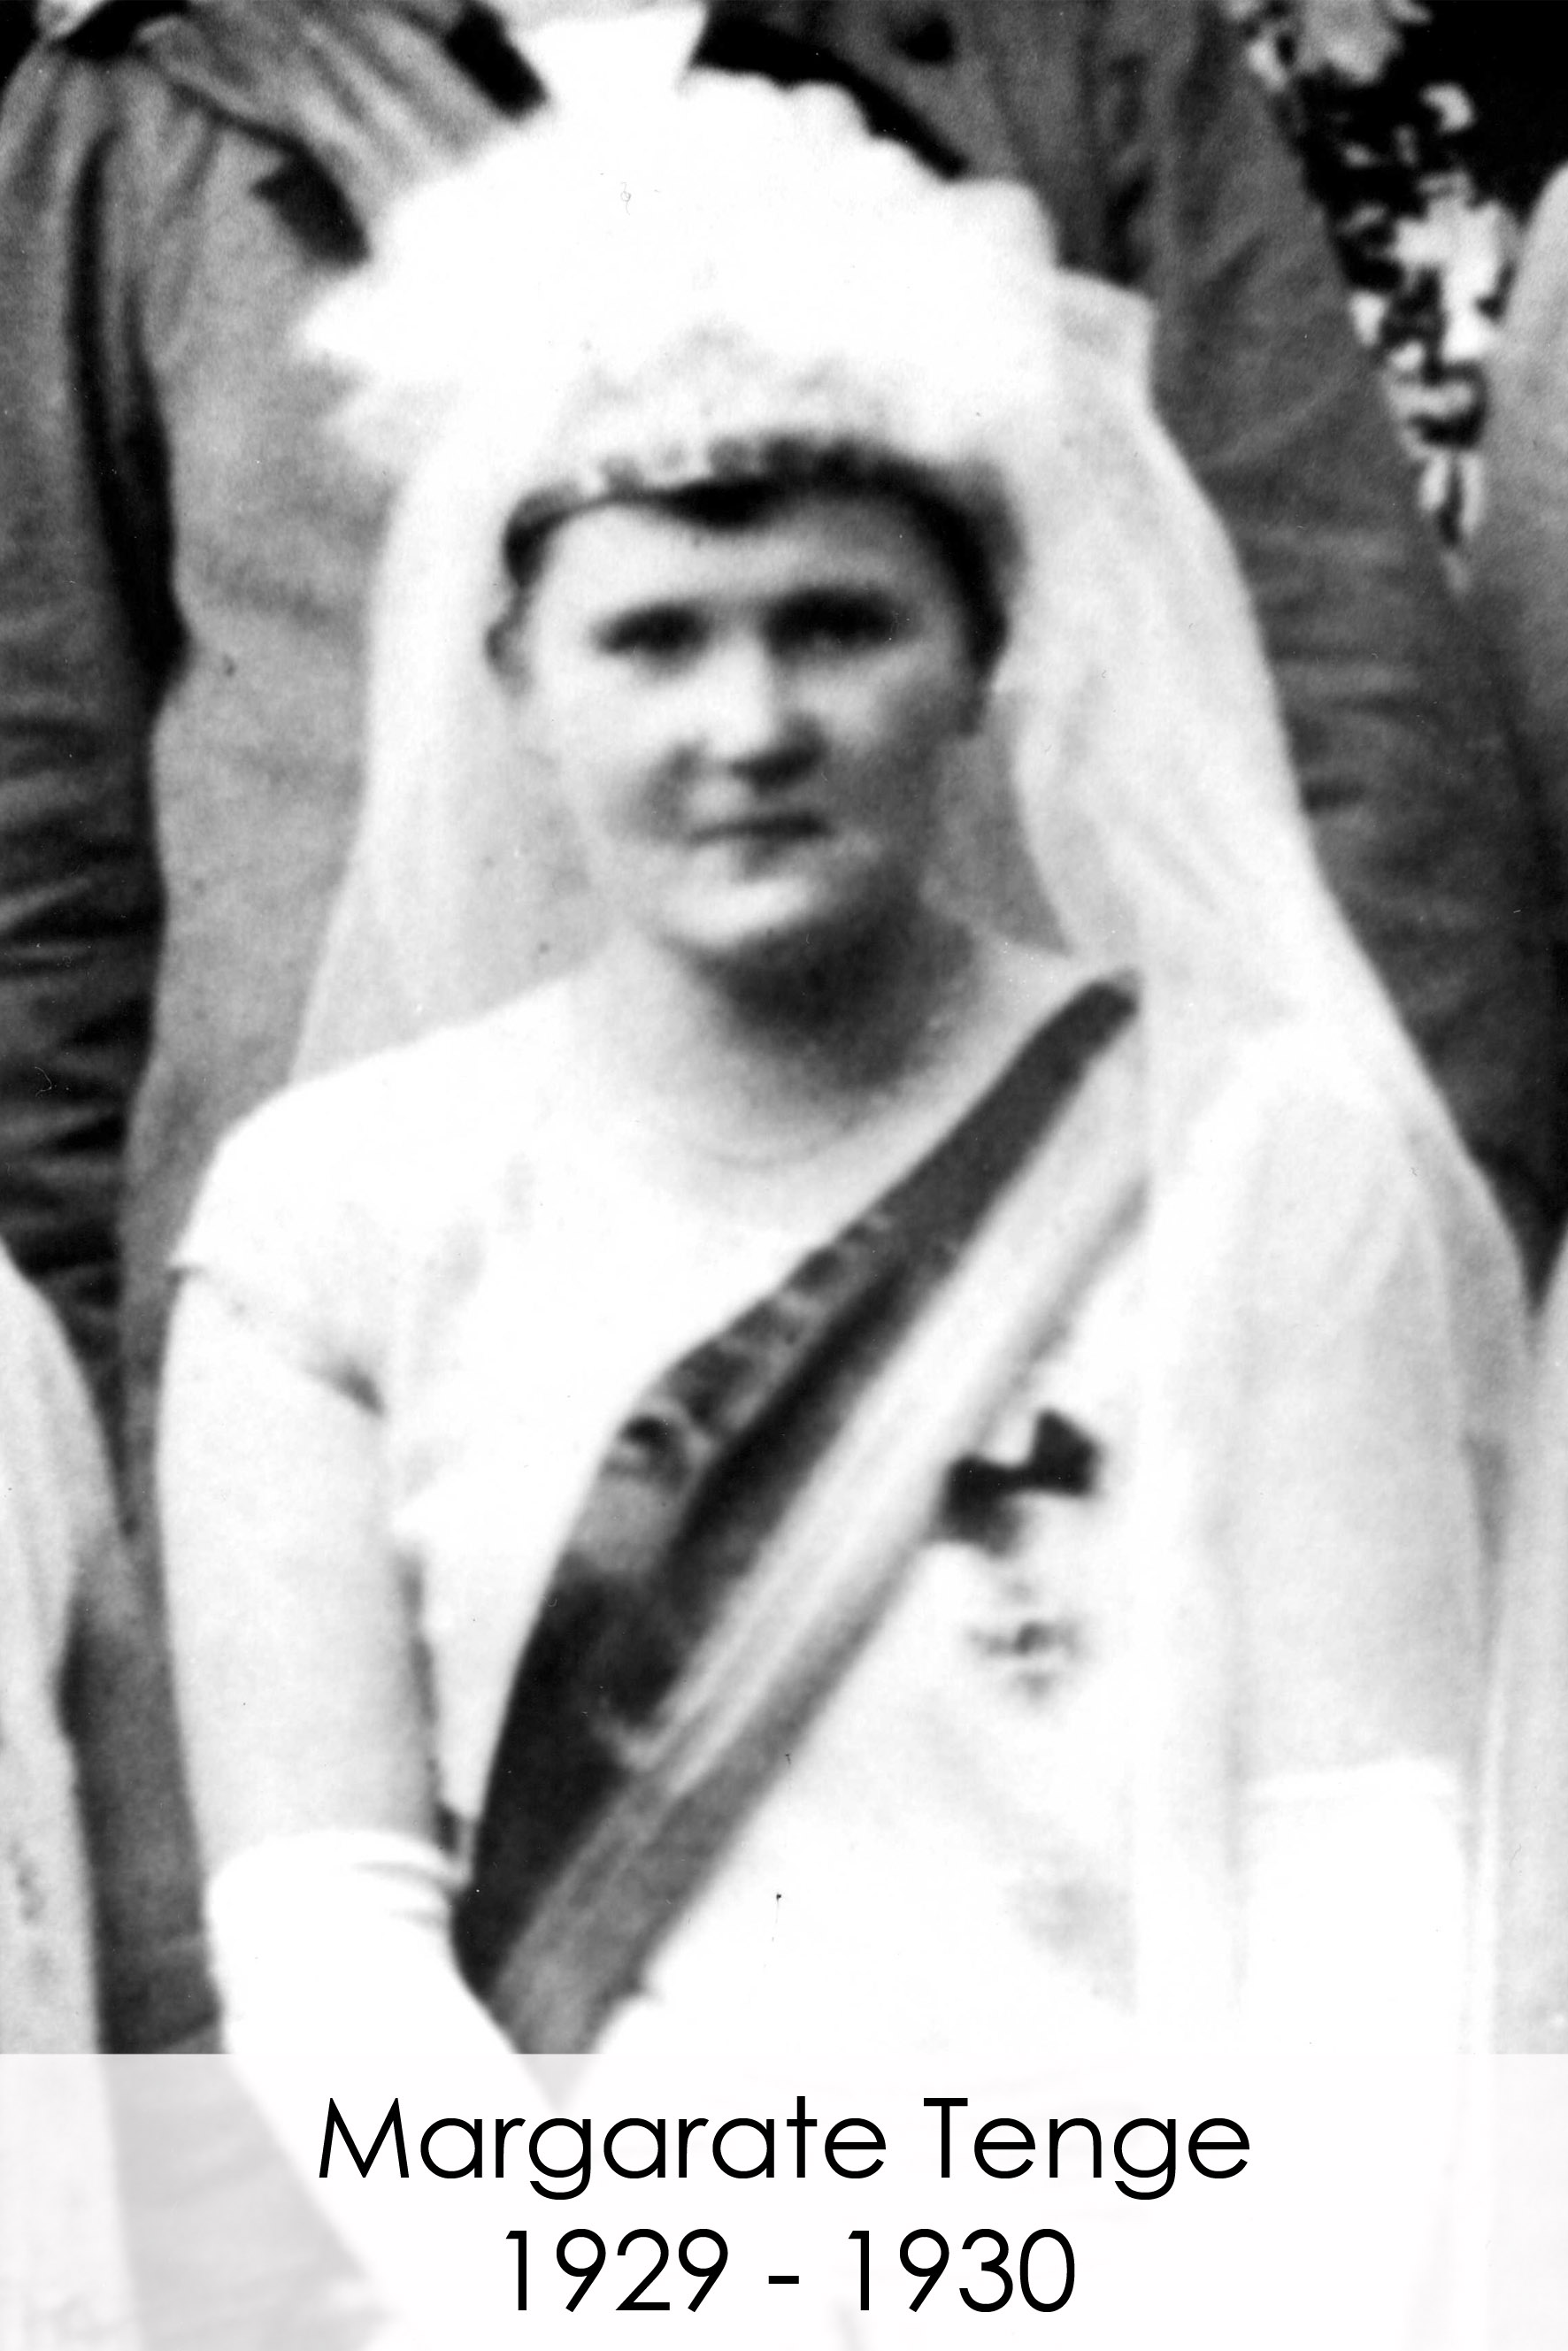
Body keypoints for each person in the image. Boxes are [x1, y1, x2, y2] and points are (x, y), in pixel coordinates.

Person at [157, 47, 1519, 2155]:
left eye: (836, 624)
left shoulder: (1253, 1154)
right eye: (652, 640)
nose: (751, 725)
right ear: (513, 684)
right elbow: (328, 1951)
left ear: (981, 653)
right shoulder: (326, 1225)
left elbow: (1361, 1876)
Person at [0, 0, 1554, 1563]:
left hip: (1000, 1292)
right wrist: (92, 1530)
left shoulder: (1073, 45)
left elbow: (1353, 745)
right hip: (375, 1361)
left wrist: (1416, 1385)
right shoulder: (157, 104)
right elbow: (47, 879)